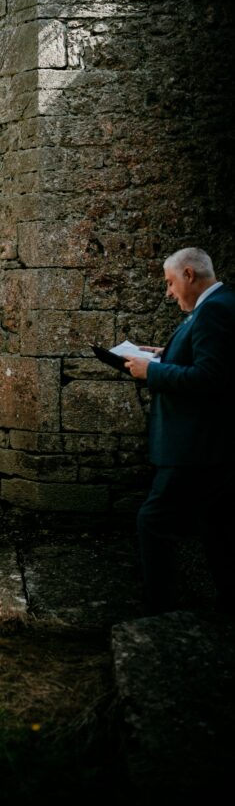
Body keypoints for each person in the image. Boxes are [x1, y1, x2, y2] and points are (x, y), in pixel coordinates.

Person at [124, 247, 235, 615]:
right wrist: (163, 353)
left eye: (170, 283)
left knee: (152, 521)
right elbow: (204, 359)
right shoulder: (215, 305)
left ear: (189, 274)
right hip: (208, 448)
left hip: (194, 447)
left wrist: (151, 372)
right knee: (216, 527)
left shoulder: (215, 309)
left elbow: (210, 377)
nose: (169, 293)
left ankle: (158, 609)